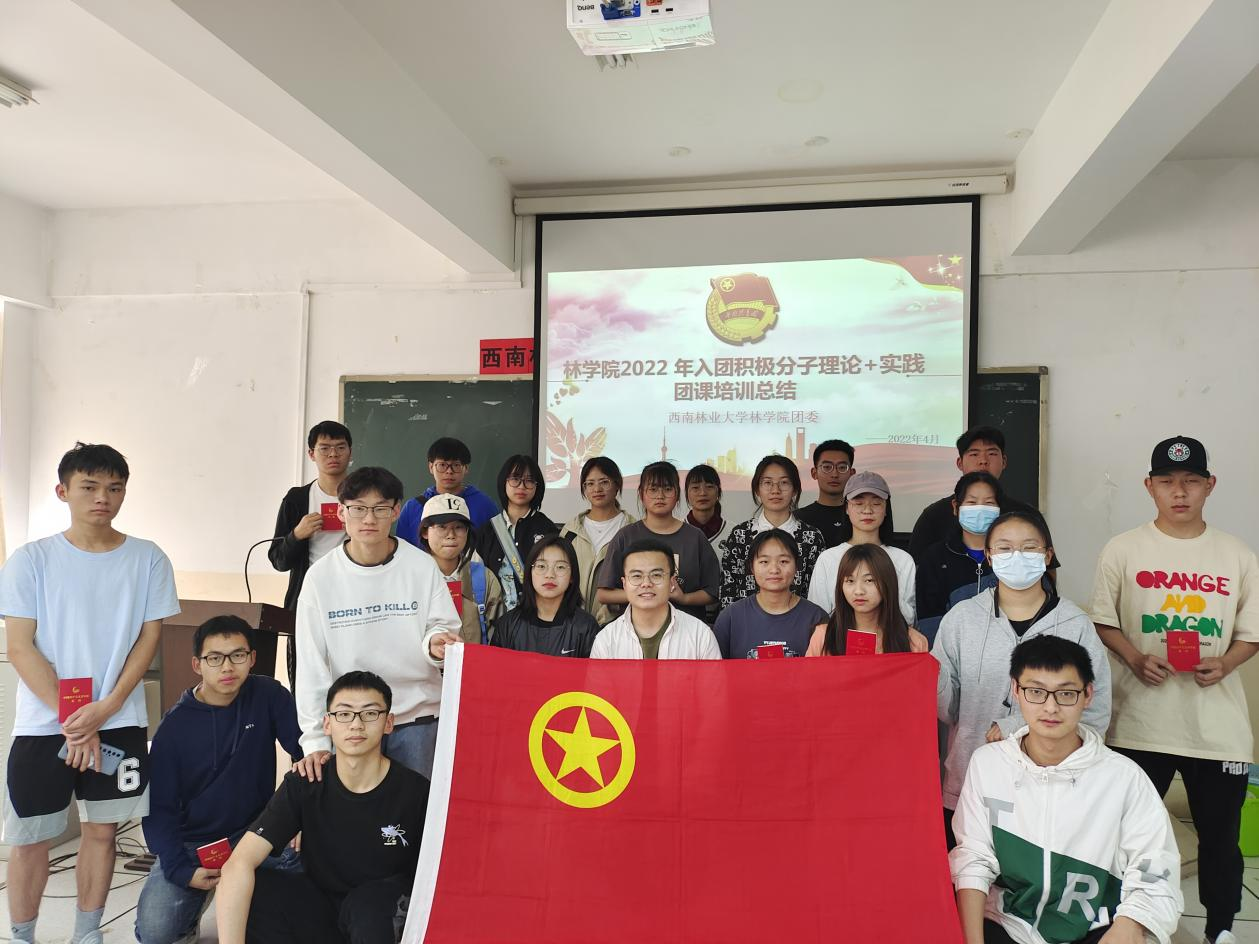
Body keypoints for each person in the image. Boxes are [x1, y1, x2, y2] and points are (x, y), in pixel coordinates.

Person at [0, 442, 180, 944]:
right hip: (44, 726)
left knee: (102, 831)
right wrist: (77, 722)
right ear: (63, 491)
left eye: (115, 488)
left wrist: (106, 709)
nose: (104, 497)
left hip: (119, 720)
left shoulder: (147, 558)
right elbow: (20, 646)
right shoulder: (31, 560)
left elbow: (148, 640)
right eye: (90, 486)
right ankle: (22, 935)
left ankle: (86, 933)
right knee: (31, 838)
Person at [1090, 436, 1259, 944]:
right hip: (1138, 723)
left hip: (1216, 728)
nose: (1179, 492)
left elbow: (1251, 632)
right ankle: (1118, 924)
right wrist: (1135, 658)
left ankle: (1220, 929)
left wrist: (1226, 662)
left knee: (1220, 839)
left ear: (1210, 485)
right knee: (1125, 836)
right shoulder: (1123, 549)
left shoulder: (1236, 554)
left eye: (1190, 481)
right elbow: (1102, 621)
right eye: (1166, 481)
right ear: (1149, 486)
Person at [950, 636, 1182, 944]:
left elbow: (1156, 867)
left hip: (1095, 927)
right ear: (1016, 690)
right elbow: (973, 858)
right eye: (1036, 691)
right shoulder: (988, 764)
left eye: (1066, 694)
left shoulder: (1125, 778)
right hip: (1007, 922)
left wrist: (1130, 923)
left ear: (1088, 695)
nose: (1051, 707)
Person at [934, 510, 1111, 848]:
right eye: (1004, 548)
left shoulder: (1075, 624)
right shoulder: (962, 619)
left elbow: (1096, 712)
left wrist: (1018, 725)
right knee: (968, 872)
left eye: (1029, 548)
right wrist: (925, 669)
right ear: (989, 556)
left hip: (1053, 788)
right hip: (970, 781)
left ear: (1047, 555)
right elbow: (946, 709)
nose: (1017, 556)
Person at [216, 671, 429, 944]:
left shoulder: (416, 791)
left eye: (370, 713)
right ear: (327, 724)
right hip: (323, 908)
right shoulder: (306, 782)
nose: (356, 724)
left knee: (370, 907)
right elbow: (239, 863)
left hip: (380, 912)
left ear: (388, 723)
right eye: (344, 714)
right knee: (254, 889)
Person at [136, 615, 303, 944]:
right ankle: (191, 916)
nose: (227, 667)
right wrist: (182, 870)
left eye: (237, 655)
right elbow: (159, 809)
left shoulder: (268, 695)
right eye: (215, 658)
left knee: (314, 882)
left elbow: (305, 750)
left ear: (252, 658)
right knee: (157, 933)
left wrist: (300, 818)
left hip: (257, 833)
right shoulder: (174, 728)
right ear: (197, 664)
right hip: (194, 843)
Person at [295, 466, 461, 781]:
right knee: (355, 810)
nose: (369, 519)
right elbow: (311, 664)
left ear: (396, 511)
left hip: (417, 718)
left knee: (417, 808)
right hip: (353, 723)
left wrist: (436, 644)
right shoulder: (320, 578)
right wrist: (315, 739)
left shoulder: (421, 566)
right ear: (341, 512)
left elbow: (442, 628)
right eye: (358, 509)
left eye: (380, 509)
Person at [268, 420, 353, 687]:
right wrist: (297, 534)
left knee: (352, 675)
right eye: (324, 448)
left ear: (350, 452)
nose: (333, 454)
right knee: (307, 678)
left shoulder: (364, 498)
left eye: (340, 447)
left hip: (353, 599)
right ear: (311, 454)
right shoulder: (297, 499)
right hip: (307, 601)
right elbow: (278, 560)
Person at [909, 426, 1054, 564]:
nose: (983, 461)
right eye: (974, 454)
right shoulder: (934, 516)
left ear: (1004, 461)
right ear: (960, 463)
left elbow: (1048, 568)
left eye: (992, 454)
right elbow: (918, 569)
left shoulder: (1027, 515)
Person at [596, 462, 720, 623]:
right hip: (636, 629)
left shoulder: (695, 537)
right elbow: (603, 594)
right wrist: (644, 593)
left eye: (667, 489)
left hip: (687, 629)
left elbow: (712, 592)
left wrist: (684, 598)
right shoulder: (626, 536)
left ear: (677, 494)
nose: (660, 496)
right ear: (641, 494)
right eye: (653, 489)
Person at [807, 471, 916, 625]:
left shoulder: (903, 560)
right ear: (846, 508)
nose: (867, 510)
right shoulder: (828, 559)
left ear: (886, 508)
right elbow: (818, 616)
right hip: (839, 638)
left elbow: (910, 618)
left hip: (890, 638)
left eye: (876, 503)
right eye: (858, 503)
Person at [719, 455, 826, 610]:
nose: (775, 490)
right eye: (767, 483)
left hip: (799, 622)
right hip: (746, 622)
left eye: (784, 483)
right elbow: (728, 591)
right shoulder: (740, 535)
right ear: (757, 489)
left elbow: (817, 594)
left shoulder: (812, 538)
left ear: (795, 489)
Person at [591, 539, 721, 659]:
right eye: (637, 576)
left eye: (656, 575)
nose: (646, 583)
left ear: (672, 582)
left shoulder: (700, 635)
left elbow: (713, 678)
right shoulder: (607, 639)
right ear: (624, 584)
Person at [713, 530, 827, 659]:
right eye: (764, 562)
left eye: (783, 561)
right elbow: (715, 668)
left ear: (797, 566)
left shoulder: (816, 618)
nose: (774, 570)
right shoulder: (731, 617)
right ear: (751, 567)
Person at [487, 536, 601, 658]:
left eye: (560, 567)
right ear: (529, 572)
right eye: (541, 566)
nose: (550, 575)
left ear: (572, 576)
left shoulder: (586, 627)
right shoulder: (508, 625)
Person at [809, 544, 928, 656]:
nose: (859, 591)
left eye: (869, 580)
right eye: (850, 581)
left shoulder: (914, 642)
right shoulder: (823, 637)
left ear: (887, 583)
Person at [476, 454, 560, 611]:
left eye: (529, 480)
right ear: (504, 482)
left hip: (536, 615)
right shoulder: (487, 531)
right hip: (495, 619)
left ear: (537, 486)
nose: (522, 486)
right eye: (515, 479)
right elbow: (477, 579)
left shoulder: (547, 529)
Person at [915, 472, 1004, 622]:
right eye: (972, 502)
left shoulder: (1010, 556)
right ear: (956, 507)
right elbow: (929, 619)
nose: (980, 510)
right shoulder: (935, 558)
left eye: (989, 503)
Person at [559, 456, 637, 625]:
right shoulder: (570, 531)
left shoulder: (633, 530)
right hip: (573, 623)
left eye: (604, 482)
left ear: (617, 485)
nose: (597, 489)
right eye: (590, 483)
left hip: (618, 624)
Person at [418, 493, 502, 645]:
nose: (451, 535)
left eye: (459, 527)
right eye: (442, 527)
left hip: (474, 660)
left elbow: (498, 637)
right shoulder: (411, 578)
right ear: (425, 532)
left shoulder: (484, 579)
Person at [397, 437, 499, 547]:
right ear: (431, 467)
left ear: (466, 468)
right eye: (442, 465)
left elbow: (495, 548)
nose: (449, 471)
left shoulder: (485, 506)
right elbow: (402, 550)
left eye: (456, 465)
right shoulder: (413, 508)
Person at [796, 439, 860, 547]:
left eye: (842, 467)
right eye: (827, 467)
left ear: (852, 474)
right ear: (814, 473)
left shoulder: (863, 517)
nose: (834, 474)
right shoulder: (797, 519)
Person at [683, 463, 732, 559]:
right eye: (695, 488)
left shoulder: (733, 532)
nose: (702, 493)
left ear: (718, 491)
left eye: (709, 486)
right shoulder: (677, 531)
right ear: (687, 493)